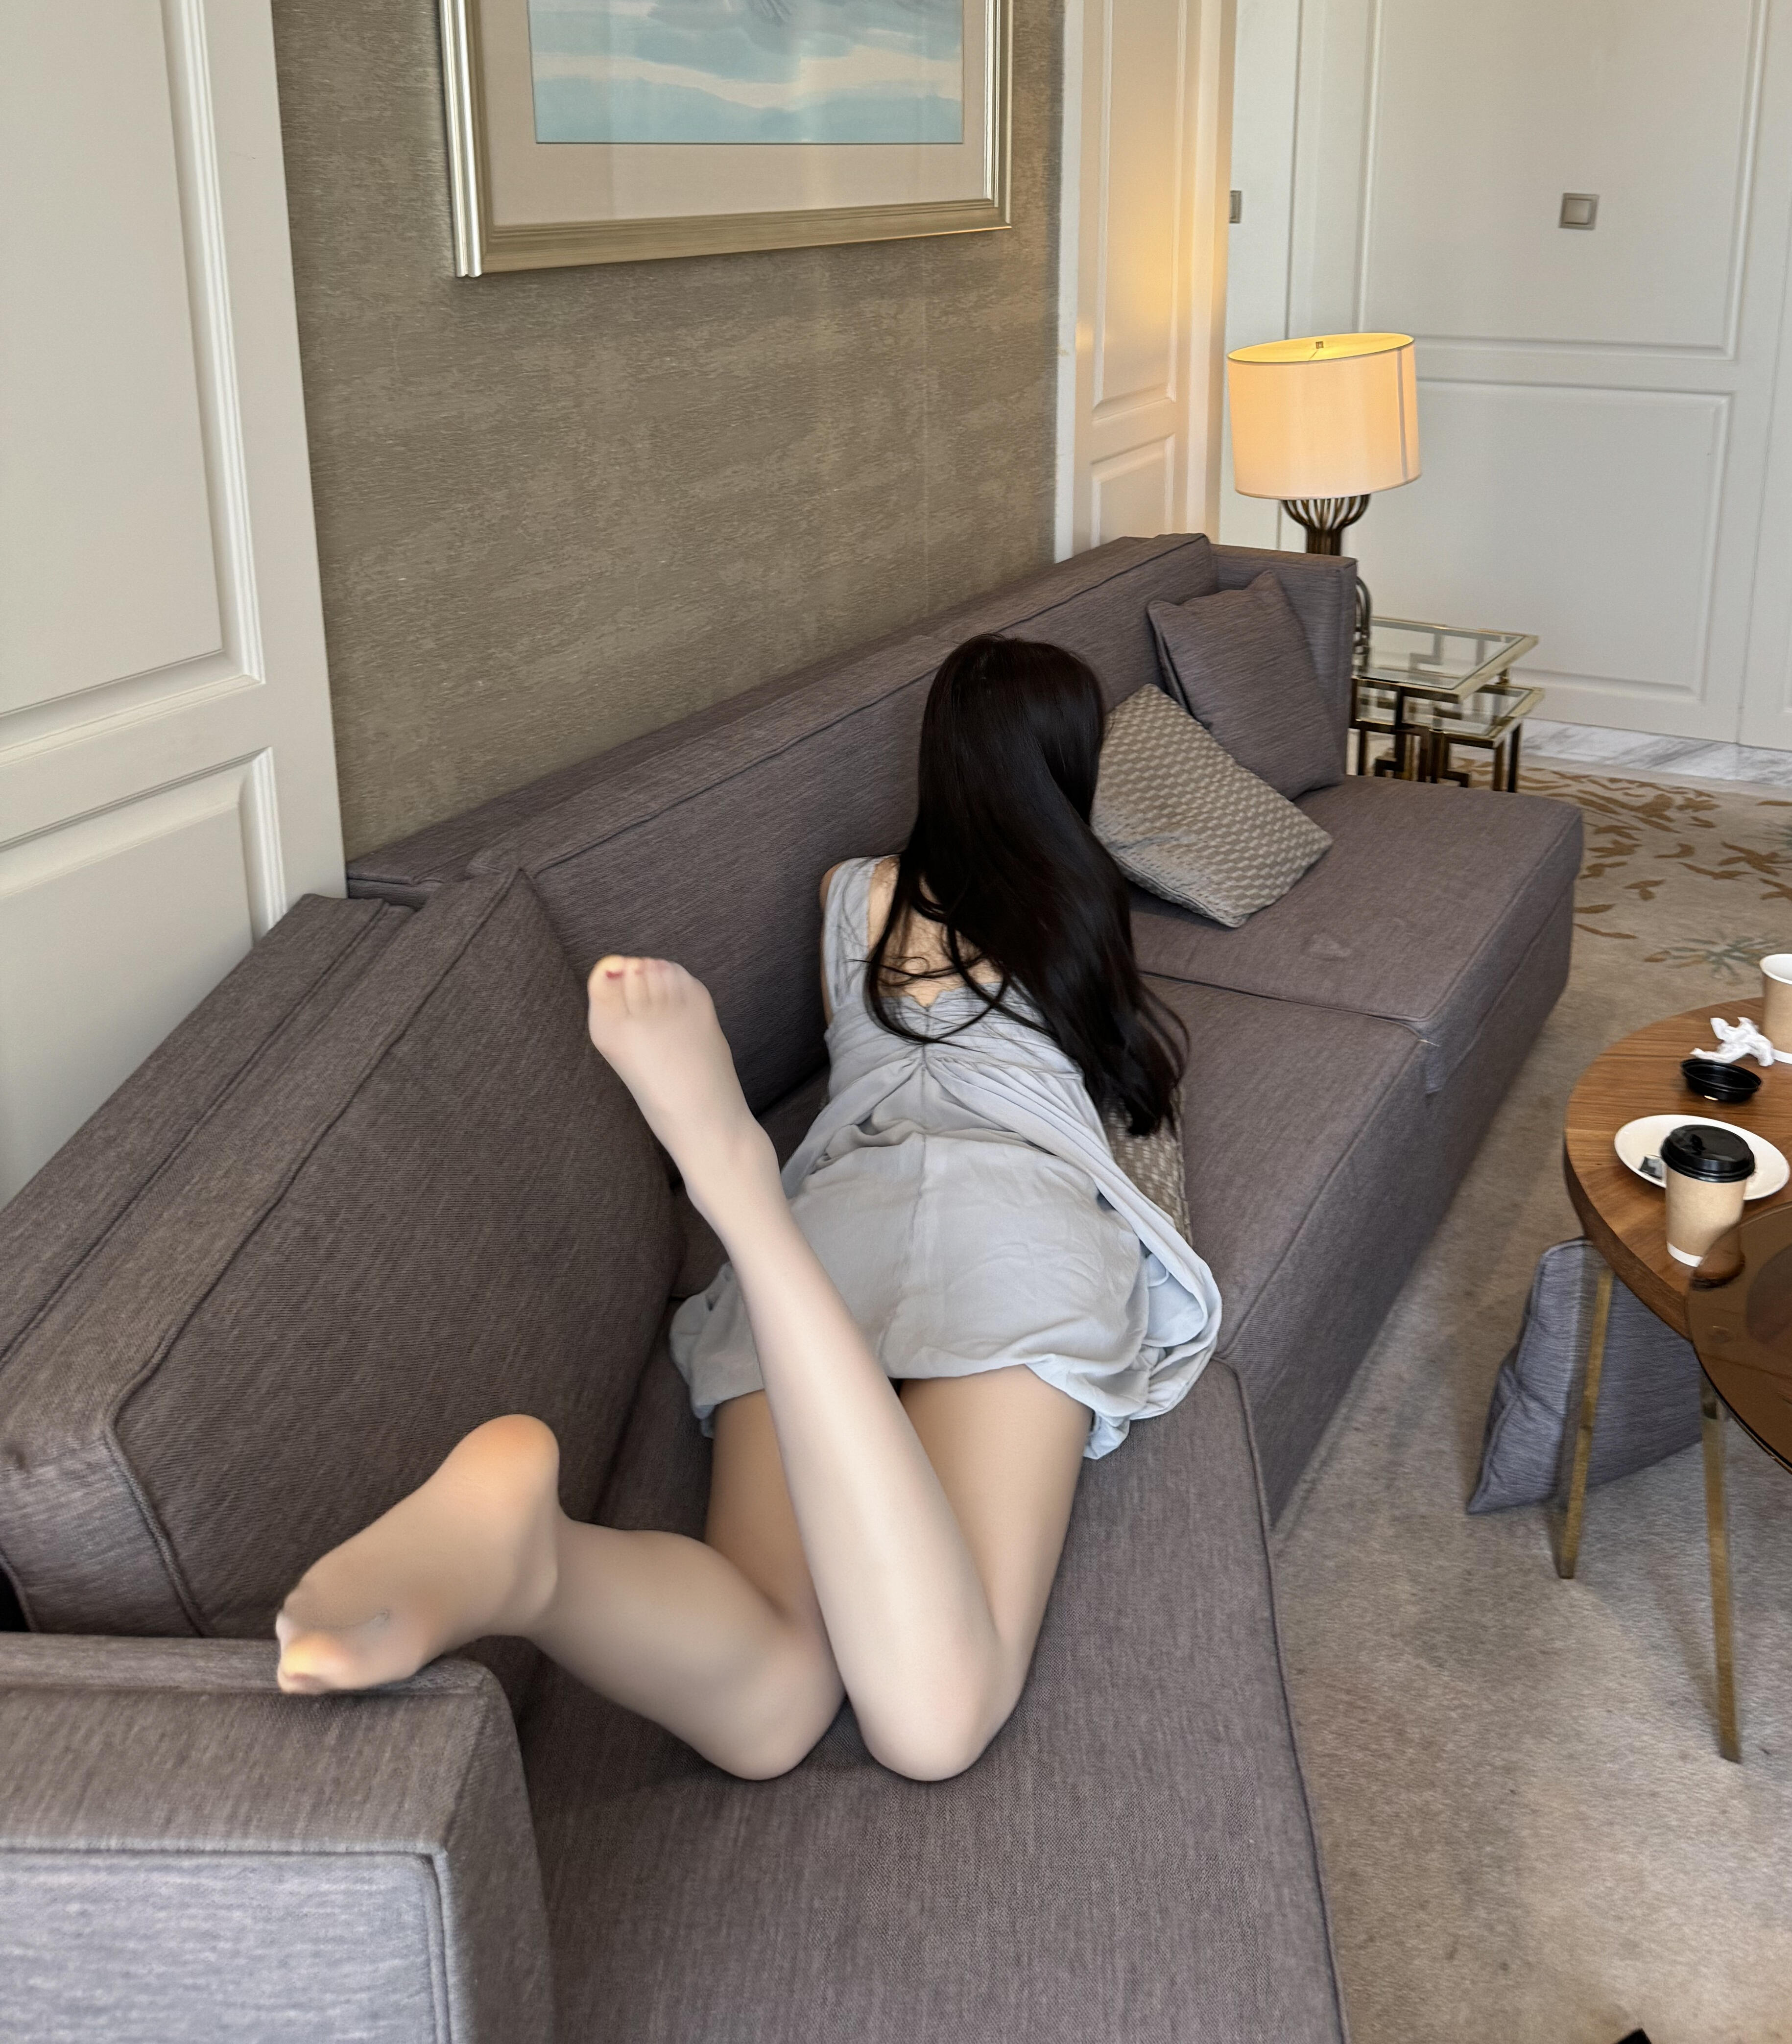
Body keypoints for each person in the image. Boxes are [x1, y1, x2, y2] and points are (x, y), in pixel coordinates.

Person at [272, 636, 1220, 1783]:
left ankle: (542, 1564)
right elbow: (1123, 1086)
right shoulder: (1082, 901)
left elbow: (855, 1042)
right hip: (1016, 1219)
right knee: (931, 1727)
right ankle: (733, 1183)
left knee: (770, 1715)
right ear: (1069, 761)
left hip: (841, 1210)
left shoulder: (848, 895)